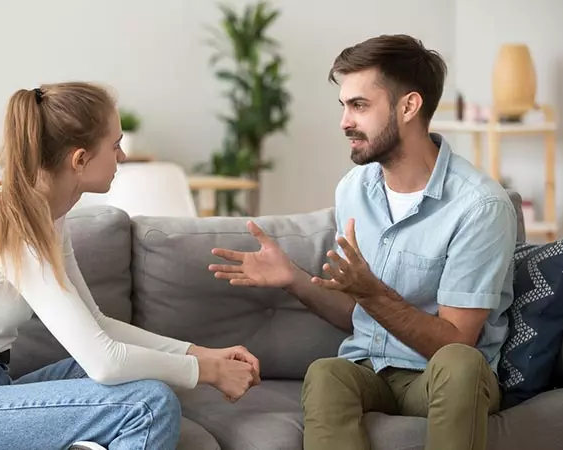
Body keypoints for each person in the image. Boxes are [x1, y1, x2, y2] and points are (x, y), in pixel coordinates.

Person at [0, 82, 261, 450]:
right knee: (149, 405)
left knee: (131, 376)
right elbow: (105, 363)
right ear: (79, 160)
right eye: (115, 146)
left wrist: (202, 353)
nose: (123, 158)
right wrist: (209, 373)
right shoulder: (15, 222)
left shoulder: (47, 214)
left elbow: (96, 325)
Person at [208, 35, 516, 450]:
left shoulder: (479, 206)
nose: (344, 122)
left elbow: (455, 342)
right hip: (369, 370)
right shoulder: (354, 189)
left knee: (461, 364)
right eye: (344, 106)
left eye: (359, 106)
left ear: (408, 106)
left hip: (439, 379)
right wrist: (293, 279)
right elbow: (358, 314)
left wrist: (372, 291)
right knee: (327, 372)